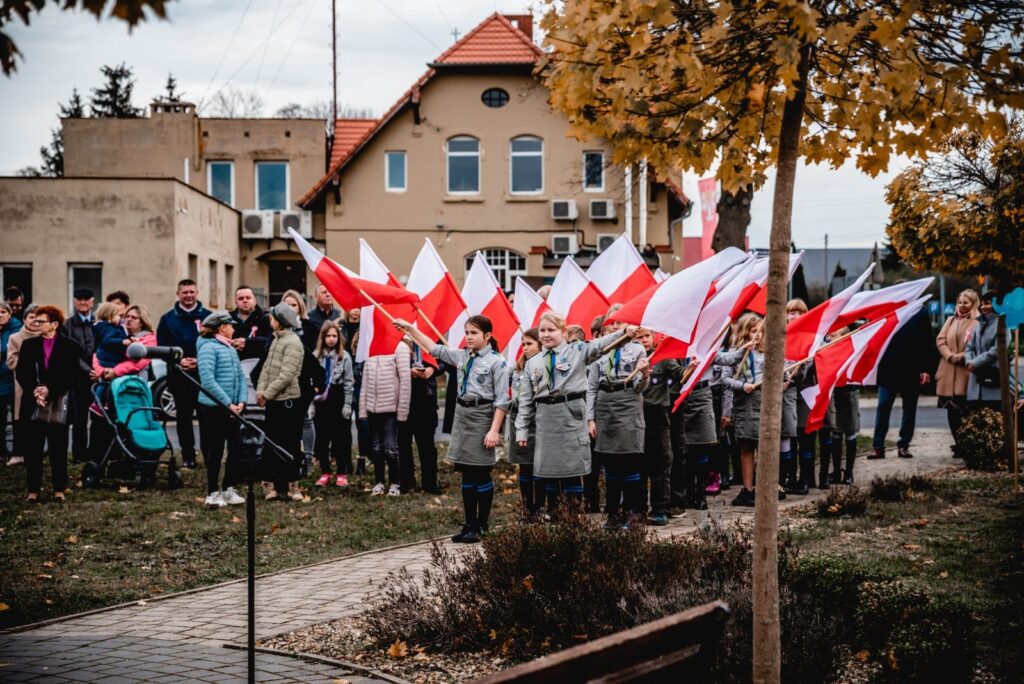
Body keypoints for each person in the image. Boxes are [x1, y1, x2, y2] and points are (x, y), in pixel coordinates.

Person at [395, 315, 510, 543]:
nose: (468, 337)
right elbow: (433, 348)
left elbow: (502, 400)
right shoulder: (462, 357)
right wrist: (410, 329)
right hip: (464, 416)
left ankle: (482, 525)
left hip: (483, 417)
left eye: (474, 333)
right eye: (467, 332)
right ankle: (469, 524)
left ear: (487, 336)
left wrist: (494, 430)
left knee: (480, 471)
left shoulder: (498, 362)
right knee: (466, 471)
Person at [515, 311, 639, 514]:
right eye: (542, 330)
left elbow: (601, 345)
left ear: (563, 331)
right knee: (550, 473)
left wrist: (624, 332)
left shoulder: (577, 350)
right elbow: (526, 401)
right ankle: (556, 519)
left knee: (571, 472)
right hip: (546, 419)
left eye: (551, 330)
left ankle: (573, 522)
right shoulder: (534, 362)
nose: (546, 335)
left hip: (570, 415)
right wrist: (521, 430)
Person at [587, 307, 650, 528]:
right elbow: (591, 387)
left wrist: (643, 373)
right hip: (605, 405)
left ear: (628, 325)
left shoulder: (637, 349)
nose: (615, 327)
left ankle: (632, 512)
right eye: (611, 323)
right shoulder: (600, 350)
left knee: (630, 462)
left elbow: (640, 387)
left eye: (619, 323)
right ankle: (612, 514)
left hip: (628, 404)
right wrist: (590, 418)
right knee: (610, 463)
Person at [16, 305, 82, 503]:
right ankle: (33, 490)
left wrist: (49, 389)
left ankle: (59, 489)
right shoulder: (29, 345)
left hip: (59, 401)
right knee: (33, 449)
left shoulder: (69, 346)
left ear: (54, 324)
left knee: (58, 448)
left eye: (41, 321)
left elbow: (72, 375)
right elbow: (22, 372)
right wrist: (35, 390)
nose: (36, 323)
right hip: (33, 401)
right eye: (35, 320)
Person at [870, 303, 937, 459]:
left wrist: (926, 369)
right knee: (883, 406)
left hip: (911, 369)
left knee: (909, 408)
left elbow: (927, 341)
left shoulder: (920, 312)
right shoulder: (886, 312)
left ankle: (904, 445)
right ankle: (878, 446)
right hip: (888, 369)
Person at [157, 279, 211, 469]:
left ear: (197, 292)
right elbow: (161, 346)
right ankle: (188, 455)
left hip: (203, 375)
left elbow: (216, 343)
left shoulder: (208, 317)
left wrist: (199, 359)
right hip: (178, 375)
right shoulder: (167, 319)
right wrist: (177, 360)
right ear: (178, 294)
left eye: (192, 292)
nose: (188, 295)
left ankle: (208, 453)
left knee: (206, 418)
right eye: (185, 292)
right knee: (183, 417)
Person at [256, 302, 306, 501]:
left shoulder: (293, 342)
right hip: (273, 402)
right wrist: (261, 390)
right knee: (271, 443)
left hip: (288, 402)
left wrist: (267, 394)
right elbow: (267, 369)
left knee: (291, 442)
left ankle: (293, 484)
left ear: (281, 321)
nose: (270, 320)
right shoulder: (276, 340)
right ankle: (271, 484)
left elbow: (287, 374)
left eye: (272, 317)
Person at [197, 312, 247, 509]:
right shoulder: (208, 348)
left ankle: (228, 488)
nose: (234, 329)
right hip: (213, 408)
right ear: (221, 328)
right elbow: (208, 380)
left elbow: (241, 377)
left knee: (235, 448)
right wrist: (227, 403)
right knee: (215, 449)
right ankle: (212, 492)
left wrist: (241, 400)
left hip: (233, 408)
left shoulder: (230, 348)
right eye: (230, 326)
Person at [639, 329, 682, 526]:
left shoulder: (662, 357)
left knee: (660, 464)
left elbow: (679, 373)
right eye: (639, 337)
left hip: (657, 416)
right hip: (635, 416)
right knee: (638, 463)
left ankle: (660, 508)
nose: (644, 340)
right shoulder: (629, 358)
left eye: (647, 336)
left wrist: (691, 369)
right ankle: (637, 507)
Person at [359, 337, 411, 497]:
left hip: (391, 408)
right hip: (373, 408)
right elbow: (365, 381)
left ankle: (395, 483)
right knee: (376, 447)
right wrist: (363, 409)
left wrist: (403, 410)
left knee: (391, 447)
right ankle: (379, 482)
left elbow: (405, 380)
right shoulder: (372, 346)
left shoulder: (400, 347)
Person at [723, 313, 765, 507]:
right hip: (744, 403)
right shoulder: (735, 353)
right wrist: (741, 386)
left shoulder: (767, 352)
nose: (757, 335)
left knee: (763, 447)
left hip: (763, 402)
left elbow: (782, 373)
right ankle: (747, 489)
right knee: (746, 446)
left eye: (760, 331)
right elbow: (725, 379)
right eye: (753, 331)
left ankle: (763, 487)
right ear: (744, 332)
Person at [935, 289, 980, 454]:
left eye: (966, 302)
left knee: (966, 412)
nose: (962, 305)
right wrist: (949, 355)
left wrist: (961, 356)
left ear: (973, 303)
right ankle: (958, 444)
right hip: (948, 371)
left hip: (965, 373)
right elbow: (941, 340)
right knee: (951, 411)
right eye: (960, 302)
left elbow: (977, 345)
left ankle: (968, 445)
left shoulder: (977, 322)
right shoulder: (950, 320)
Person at [281, 289, 322, 467]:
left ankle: (308, 457)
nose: (290, 308)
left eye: (294, 305)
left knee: (306, 418)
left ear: (300, 306)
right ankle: (290, 456)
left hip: (303, 378)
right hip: (283, 378)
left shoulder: (310, 326)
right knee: (287, 421)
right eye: (287, 305)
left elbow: (315, 353)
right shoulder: (278, 326)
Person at [312, 321, 354, 488]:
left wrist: (348, 405)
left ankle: (342, 472)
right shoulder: (316, 356)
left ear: (339, 338)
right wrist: (311, 405)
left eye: (334, 336)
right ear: (323, 337)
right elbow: (311, 382)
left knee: (341, 438)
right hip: (321, 400)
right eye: (328, 336)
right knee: (322, 438)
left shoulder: (345, 357)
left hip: (338, 397)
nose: (331, 339)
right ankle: (325, 472)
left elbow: (349, 382)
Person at [399, 342, 444, 494]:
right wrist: (407, 371)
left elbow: (444, 361)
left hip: (426, 398)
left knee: (427, 445)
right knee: (403, 442)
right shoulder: (398, 339)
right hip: (404, 398)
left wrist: (433, 369)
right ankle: (406, 481)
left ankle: (430, 482)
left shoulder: (429, 338)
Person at [509, 328, 544, 516]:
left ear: (540, 344)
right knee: (525, 465)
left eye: (529, 344)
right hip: (520, 420)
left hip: (539, 420)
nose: (525, 348)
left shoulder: (545, 365)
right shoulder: (518, 368)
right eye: (523, 344)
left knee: (539, 466)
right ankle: (527, 509)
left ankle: (539, 508)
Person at [63, 287, 96, 464]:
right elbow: (69, 353)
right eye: (79, 299)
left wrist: (98, 370)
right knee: (79, 419)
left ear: (92, 301)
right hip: (78, 379)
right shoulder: (67, 325)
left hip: (98, 376)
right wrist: (87, 370)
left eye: (86, 299)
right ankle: (79, 455)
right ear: (75, 301)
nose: (83, 302)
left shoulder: (98, 323)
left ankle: (95, 453)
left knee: (99, 419)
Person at [6, 304, 41, 467]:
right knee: (21, 419)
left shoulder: (47, 337)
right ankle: (19, 453)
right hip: (22, 385)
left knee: (40, 420)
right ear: (24, 319)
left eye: (38, 318)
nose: (35, 321)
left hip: (44, 384)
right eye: (31, 317)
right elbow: (11, 362)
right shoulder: (16, 338)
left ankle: (36, 453)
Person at [964, 291, 1008, 413]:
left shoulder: (1002, 324)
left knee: (992, 420)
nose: (983, 307)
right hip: (975, 383)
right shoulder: (977, 325)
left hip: (992, 382)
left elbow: (997, 350)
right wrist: (969, 362)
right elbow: (969, 347)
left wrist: (975, 363)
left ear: (995, 304)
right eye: (982, 304)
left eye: (987, 303)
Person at [0, 303, 22, 465]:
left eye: (3, 312)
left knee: (17, 418)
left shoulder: (16, 329)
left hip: (13, 380)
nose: (0, 315)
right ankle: (1, 452)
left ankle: (17, 452)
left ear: (9, 314)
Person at [228, 286, 273, 361]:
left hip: (257, 363)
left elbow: (271, 341)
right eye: (241, 298)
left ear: (255, 300)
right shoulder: (228, 319)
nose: (245, 300)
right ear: (236, 302)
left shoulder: (266, 319)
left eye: (248, 298)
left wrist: (248, 343)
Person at [349, 330, 371, 475]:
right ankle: (361, 459)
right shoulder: (350, 358)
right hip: (356, 396)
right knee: (361, 427)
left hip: (372, 396)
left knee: (370, 428)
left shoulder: (373, 357)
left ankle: (372, 456)